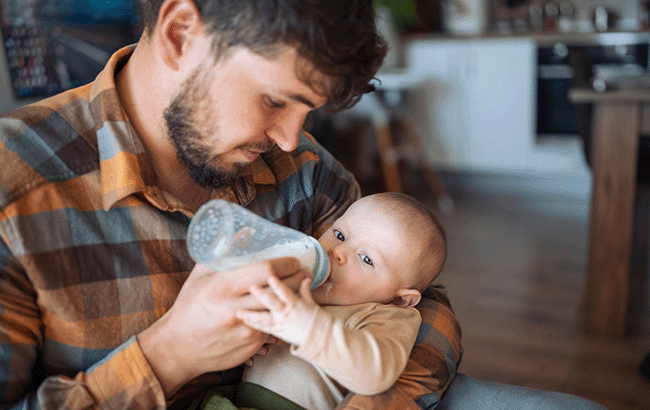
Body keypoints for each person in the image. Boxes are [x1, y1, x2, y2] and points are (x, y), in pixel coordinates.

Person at [0, 0, 609, 409]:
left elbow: (422, 302)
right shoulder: (17, 192)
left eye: (307, 111)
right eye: (274, 100)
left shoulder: (300, 167)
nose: (292, 139)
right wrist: (170, 355)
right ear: (182, 33)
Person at [233, 192, 447, 410]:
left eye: (366, 259)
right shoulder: (296, 281)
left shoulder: (385, 315)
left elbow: (373, 374)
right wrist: (244, 345)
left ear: (400, 299)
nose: (338, 251)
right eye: (340, 235)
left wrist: (307, 328)